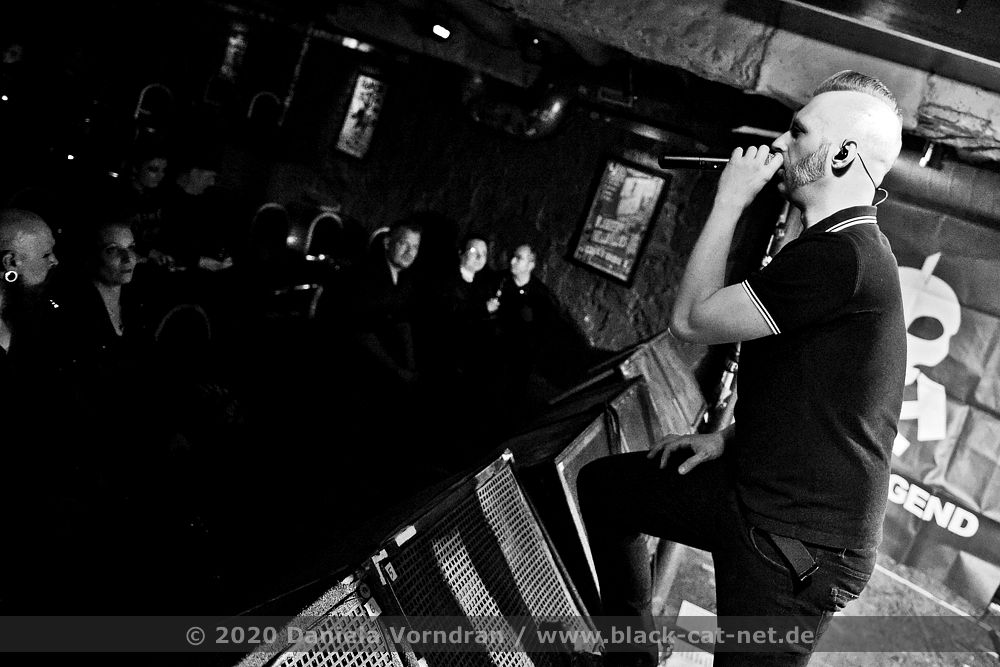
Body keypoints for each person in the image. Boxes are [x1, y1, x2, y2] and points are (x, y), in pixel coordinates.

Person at [578, 70, 906, 666]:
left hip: (799, 540)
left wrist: (730, 198)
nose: (779, 144)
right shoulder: (832, 246)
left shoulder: (844, 256)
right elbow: (818, 393)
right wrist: (729, 438)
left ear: (841, 156)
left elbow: (690, 320)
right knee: (608, 490)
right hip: (754, 492)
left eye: (798, 133)